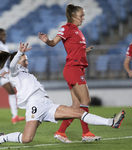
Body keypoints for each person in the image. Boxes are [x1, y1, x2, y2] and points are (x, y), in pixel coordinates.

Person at [0, 42, 125, 146]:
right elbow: (11, 66)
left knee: (78, 113)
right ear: (17, 62)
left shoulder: (23, 72)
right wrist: (18, 52)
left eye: (27, 59)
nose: (27, 62)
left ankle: (111, 122)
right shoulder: (14, 72)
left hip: (46, 104)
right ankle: (1, 138)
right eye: (25, 60)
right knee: (26, 139)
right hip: (34, 105)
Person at [38, 3, 99, 142]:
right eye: (81, 15)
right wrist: (47, 41)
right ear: (72, 16)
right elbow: (54, 42)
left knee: (76, 105)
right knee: (86, 100)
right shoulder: (66, 28)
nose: (83, 18)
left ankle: (60, 132)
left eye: (83, 15)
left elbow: (74, 49)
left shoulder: (77, 30)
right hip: (73, 69)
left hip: (77, 68)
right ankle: (86, 133)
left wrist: (84, 51)